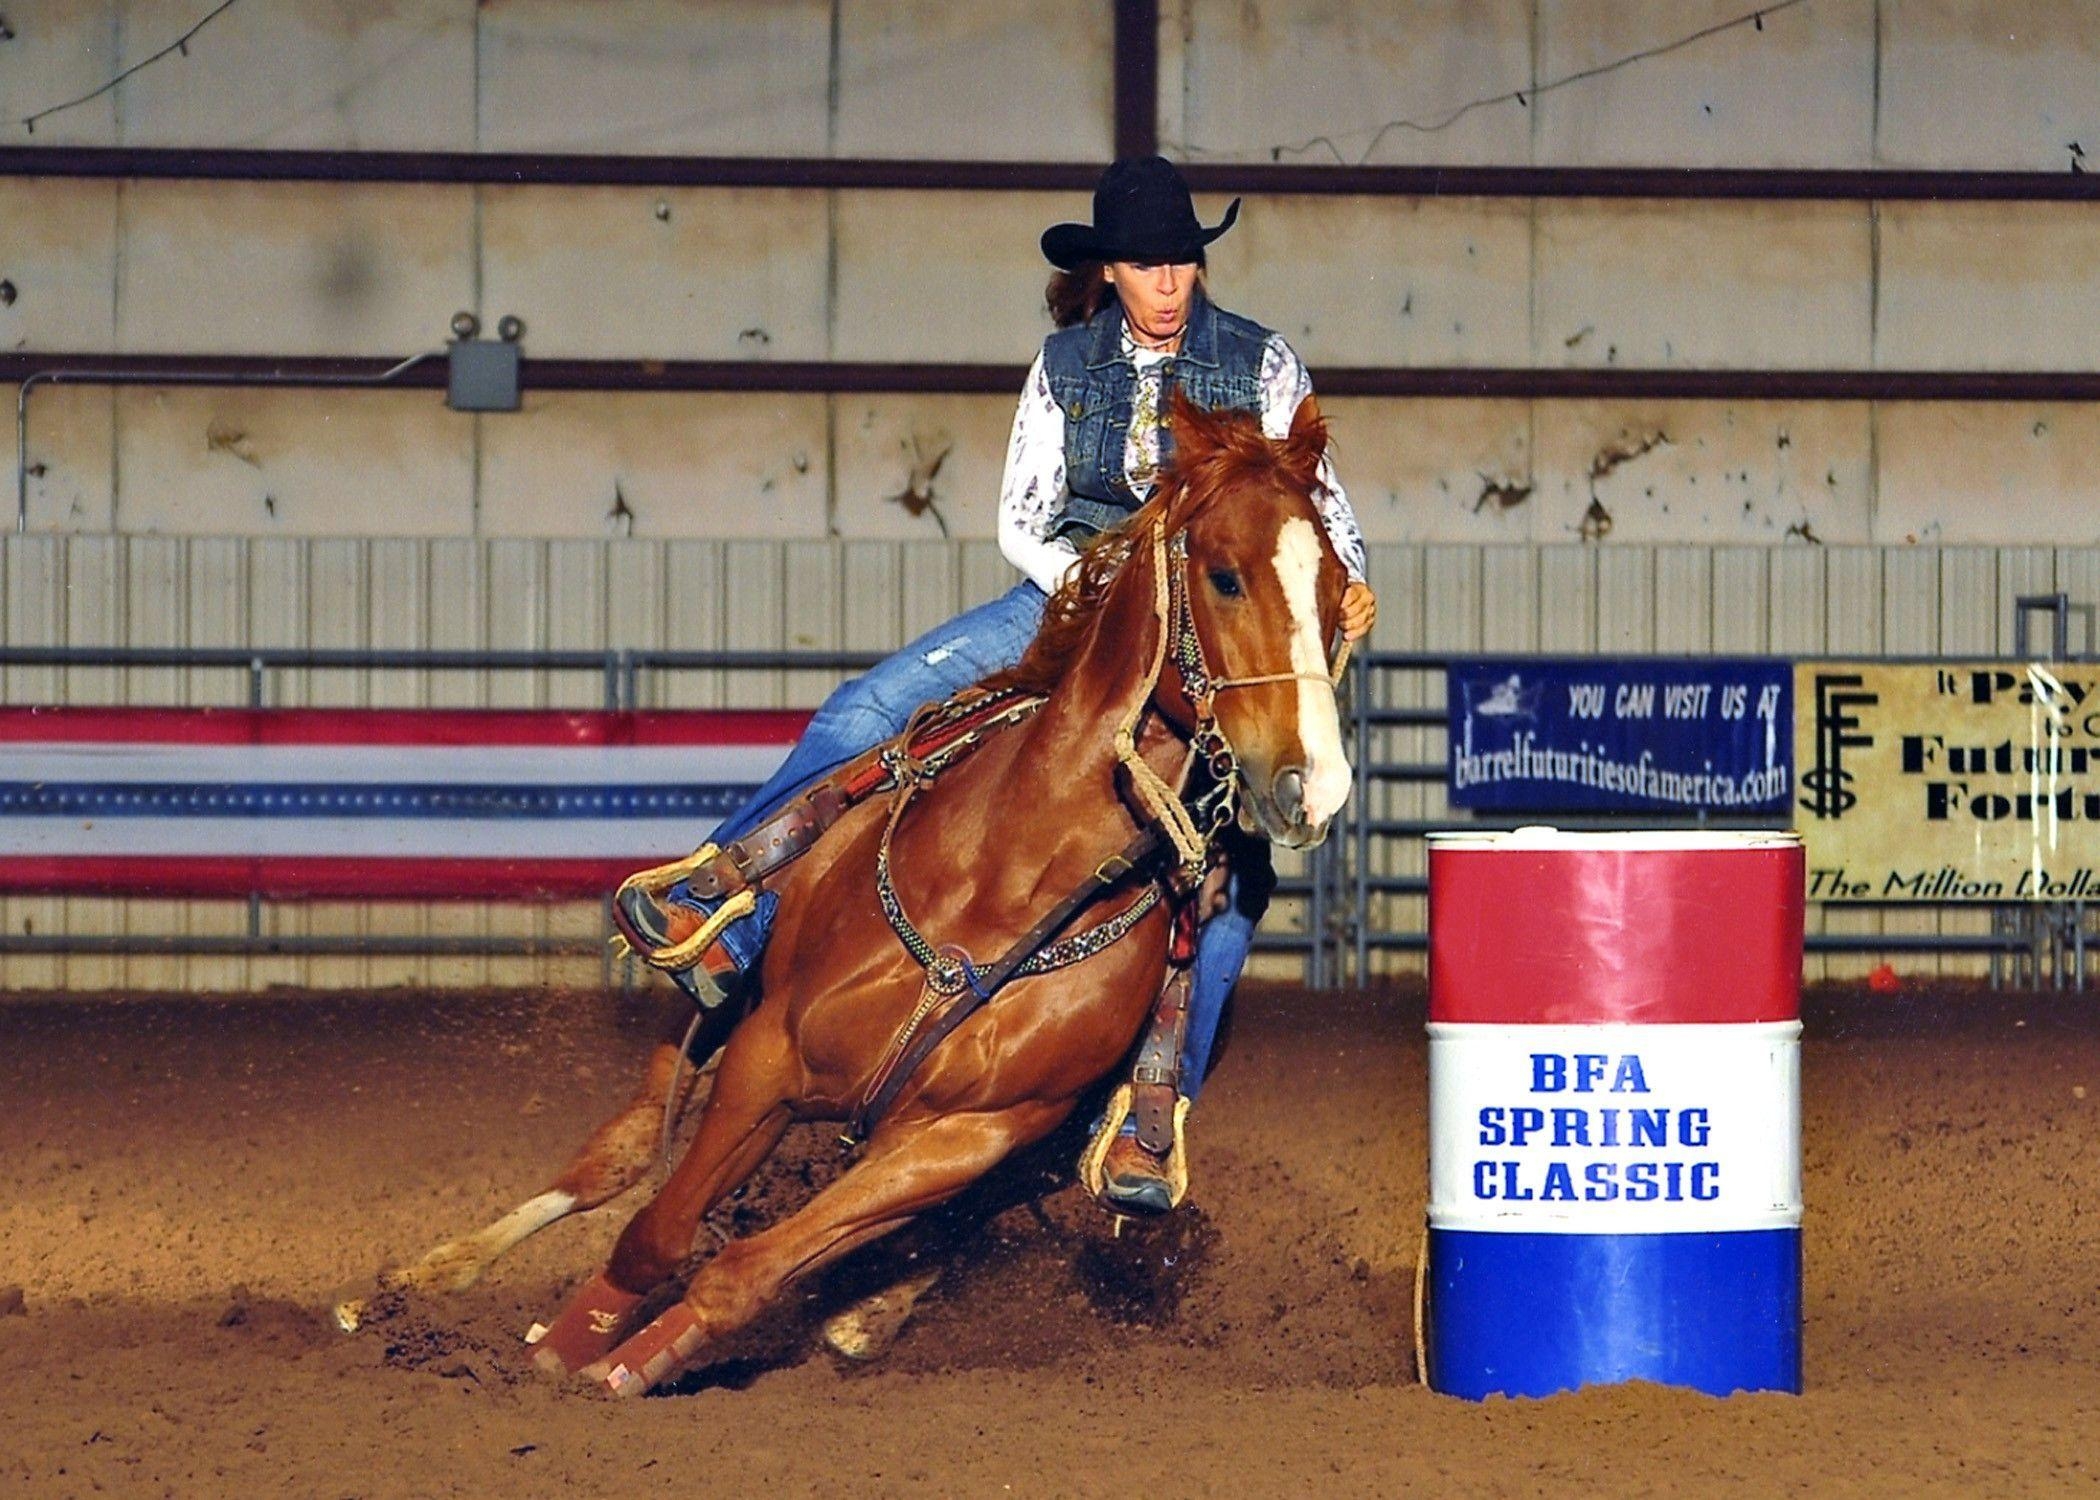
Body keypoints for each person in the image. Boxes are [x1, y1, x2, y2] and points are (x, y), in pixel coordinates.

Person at [616, 156, 1376, 1213]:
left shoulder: (1265, 362)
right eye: (1150, 265)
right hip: (1070, 597)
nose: (1170, 283)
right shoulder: (1064, 364)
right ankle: (725, 903)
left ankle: (1153, 1112)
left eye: (1184, 263)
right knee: (866, 712)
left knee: (1234, 885)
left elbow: (1321, 511)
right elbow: (1024, 515)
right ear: (1109, 270)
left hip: (1215, 621)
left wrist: (1352, 588)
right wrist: (1104, 600)